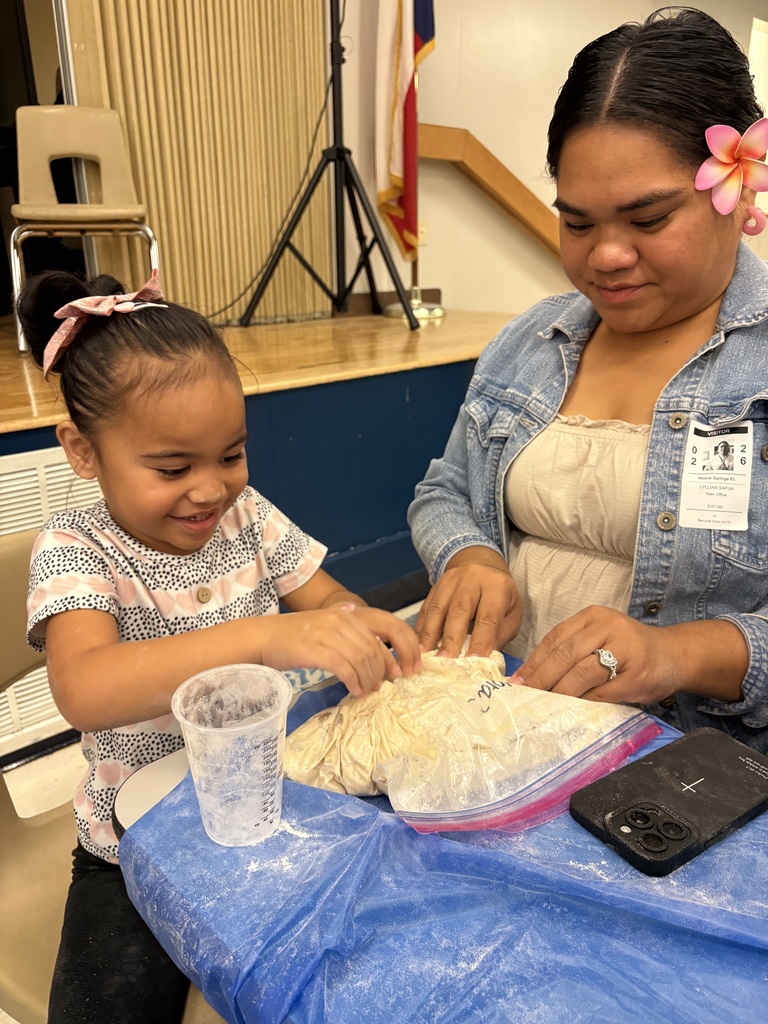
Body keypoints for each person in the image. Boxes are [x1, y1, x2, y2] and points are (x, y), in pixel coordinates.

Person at [18, 269, 422, 1024]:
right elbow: (86, 685)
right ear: (82, 450)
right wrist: (267, 635)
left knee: (354, 968)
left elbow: (327, 598)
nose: (210, 490)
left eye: (231, 455)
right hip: (133, 850)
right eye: (173, 468)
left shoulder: (250, 520)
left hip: (277, 807)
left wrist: (355, 622)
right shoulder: (75, 550)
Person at [408, 7, 768, 753]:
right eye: (577, 223)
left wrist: (676, 654)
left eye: (647, 219)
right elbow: (445, 490)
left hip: (690, 775)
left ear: (737, 188)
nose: (605, 256)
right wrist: (469, 556)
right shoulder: (531, 341)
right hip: (500, 736)